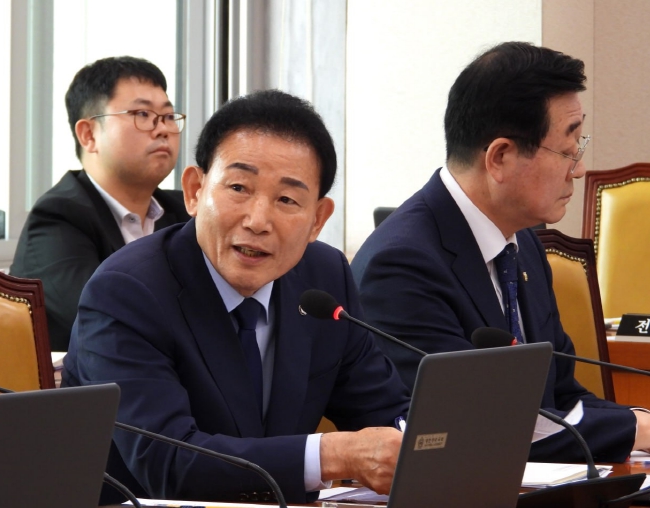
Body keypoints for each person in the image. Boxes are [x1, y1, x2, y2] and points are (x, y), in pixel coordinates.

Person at [62, 89, 410, 504]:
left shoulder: (324, 278)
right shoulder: (127, 291)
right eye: (239, 187)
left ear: (318, 219)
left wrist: (421, 441)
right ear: (195, 191)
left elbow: (386, 410)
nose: (258, 220)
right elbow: (168, 462)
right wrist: (333, 454)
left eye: (287, 199)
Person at [352, 41, 650, 463]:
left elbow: (563, 395)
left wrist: (638, 421)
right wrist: (634, 429)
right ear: (500, 157)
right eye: (568, 152)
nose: (579, 169)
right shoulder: (401, 266)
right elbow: (474, 423)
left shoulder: (522, 244)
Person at [10, 56, 190, 351]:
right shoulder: (58, 218)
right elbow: (105, 319)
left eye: (169, 116)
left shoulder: (187, 210)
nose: (162, 129)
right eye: (143, 114)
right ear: (89, 134)